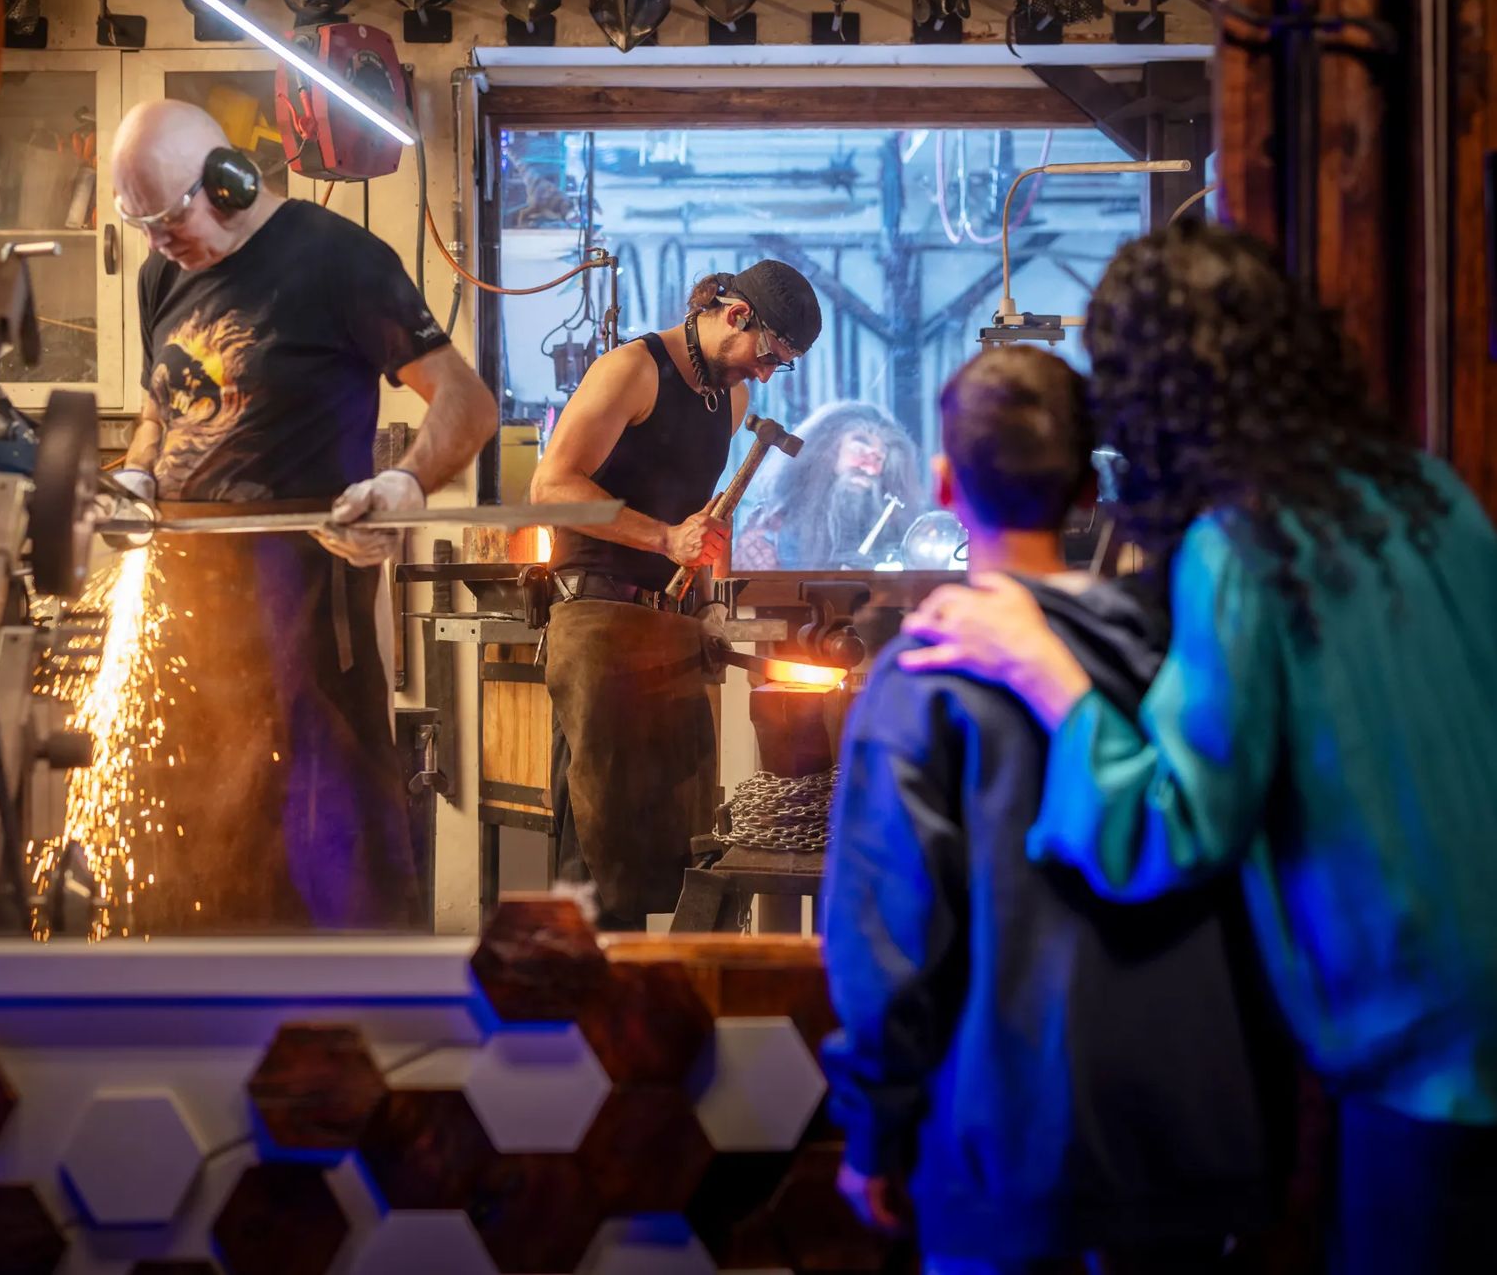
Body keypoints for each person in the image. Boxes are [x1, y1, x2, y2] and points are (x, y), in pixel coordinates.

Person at [899, 225, 1497, 1275]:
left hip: (1421, 1058)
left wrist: (1043, 662)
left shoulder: (1244, 546)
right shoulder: (1429, 494)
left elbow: (1173, 827)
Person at [821, 345, 1286, 1275]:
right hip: (1194, 1150)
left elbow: (888, 937)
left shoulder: (922, 679)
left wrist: (876, 1127)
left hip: (1008, 1155)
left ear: (945, 486)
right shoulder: (1180, 657)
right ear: (1085, 493)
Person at [109, 99, 497, 931]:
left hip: (308, 598)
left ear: (229, 181)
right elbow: (160, 405)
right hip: (185, 602)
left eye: (165, 221)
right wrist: (138, 474)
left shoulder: (339, 262)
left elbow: (466, 404)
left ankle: (355, 1028)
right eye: (137, 225)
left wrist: (406, 483)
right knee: (189, 835)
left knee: (324, 840)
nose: (154, 245)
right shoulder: (160, 277)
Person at [531, 259, 821, 930]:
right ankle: (585, 999)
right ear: (736, 315)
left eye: (783, 365)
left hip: (673, 627)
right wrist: (664, 539)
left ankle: (660, 991)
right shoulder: (632, 370)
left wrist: (713, 602)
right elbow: (552, 488)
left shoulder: (732, 399)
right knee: (596, 840)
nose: (766, 373)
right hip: (598, 618)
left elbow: (705, 527)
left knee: (677, 836)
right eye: (769, 354)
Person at [735, 399, 925, 569]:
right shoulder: (773, 528)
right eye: (860, 450)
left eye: (878, 458)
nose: (869, 468)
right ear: (827, 449)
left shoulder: (889, 528)